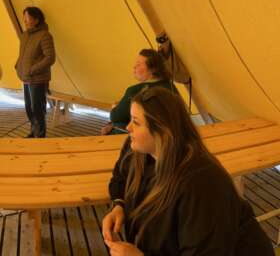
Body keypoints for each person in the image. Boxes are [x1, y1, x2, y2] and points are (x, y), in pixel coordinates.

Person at [101, 87, 272, 255]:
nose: (128, 127)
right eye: (130, 119)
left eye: (136, 122)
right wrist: (119, 205)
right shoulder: (136, 151)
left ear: (163, 132)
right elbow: (119, 177)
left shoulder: (201, 183)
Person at [102, 49, 177, 135]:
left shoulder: (134, 91)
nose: (134, 67)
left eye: (138, 64)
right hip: (169, 135)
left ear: (152, 69)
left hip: (146, 137)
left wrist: (114, 108)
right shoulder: (170, 86)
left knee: (117, 124)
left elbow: (116, 117)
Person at [15, 6, 56, 138]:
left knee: (37, 109)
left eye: (27, 18)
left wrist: (32, 70)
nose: (25, 21)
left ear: (36, 19)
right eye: (24, 18)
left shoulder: (45, 35)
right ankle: (34, 131)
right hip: (26, 78)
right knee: (29, 108)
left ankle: (40, 136)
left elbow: (50, 57)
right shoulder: (25, 35)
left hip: (38, 79)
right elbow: (23, 54)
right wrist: (18, 65)